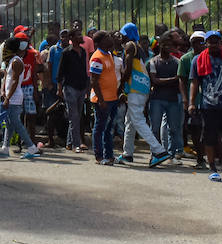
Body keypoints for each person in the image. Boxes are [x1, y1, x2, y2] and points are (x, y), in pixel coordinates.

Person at [188, 30, 222, 182]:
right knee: (209, 138)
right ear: (206, 43)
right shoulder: (198, 60)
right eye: (210, 41)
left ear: (220, 43)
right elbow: (195, 82)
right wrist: (192, 103)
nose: (213, 44)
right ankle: (212, 168)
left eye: (216, 41)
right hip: (208, 107)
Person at [118, 40, 173, 167]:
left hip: (135, 91)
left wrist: (120, 87)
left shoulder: (130, 52)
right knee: (130, 122)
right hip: (142, 89)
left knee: (138, 121)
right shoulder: (139, 55)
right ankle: (127, 154)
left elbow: (127, 72)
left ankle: (159, 151)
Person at [0, 37, 41, 159]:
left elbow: (14, 82)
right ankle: (5, 147)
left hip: (14, 98)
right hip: (10, 96)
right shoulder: (12, 61)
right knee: (9, 124)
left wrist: (7, 98)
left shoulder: (16, 62)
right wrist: (3, 91)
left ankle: (32, 147)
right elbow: (6, 77)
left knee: (16, 123)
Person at [147, 30, 185, 157]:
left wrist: (167, 81)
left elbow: (179, 80)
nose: (169, 47)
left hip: (172, 99)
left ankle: (171, 154)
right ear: (160, 45)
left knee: (174, 128)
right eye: (166, 45)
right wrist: (173, 79)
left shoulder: (177, 62)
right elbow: (155, 81)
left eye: (170, 45)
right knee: (155, 128)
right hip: (157, 98)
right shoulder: (153, 61)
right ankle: (156, 153)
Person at [89, 31, 121, 165]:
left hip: (112, 98)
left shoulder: (108, 55)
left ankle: (109, 155)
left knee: (109, 128)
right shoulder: (97, 57)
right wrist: (101, 100)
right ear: (100, 41)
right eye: (107, 37)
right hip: (103, 100)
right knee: (100, 127)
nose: (111, 39)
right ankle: (99, 156)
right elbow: (94, 81)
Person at [177, 31, 207, 168]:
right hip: (194, 100)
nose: (198, 45)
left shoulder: (210, 57)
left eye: (201, 41)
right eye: (195, 42)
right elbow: (182, 81)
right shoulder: (185, 59)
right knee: (194, 129)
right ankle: (200, 158)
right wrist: (186, 100)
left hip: (209, 99)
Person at [57, 30, 90, 151]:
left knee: (76, 116)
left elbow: (84, 70)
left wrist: (87, 87)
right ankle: (77, 144)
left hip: (81, 87)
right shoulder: (66, 52)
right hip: (70, 87)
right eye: (78, 35)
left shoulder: (83, 52)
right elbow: (60, 72)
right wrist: (59, 88)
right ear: (72, 38)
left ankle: (69, 143)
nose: (81, 37)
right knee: (74, 116)